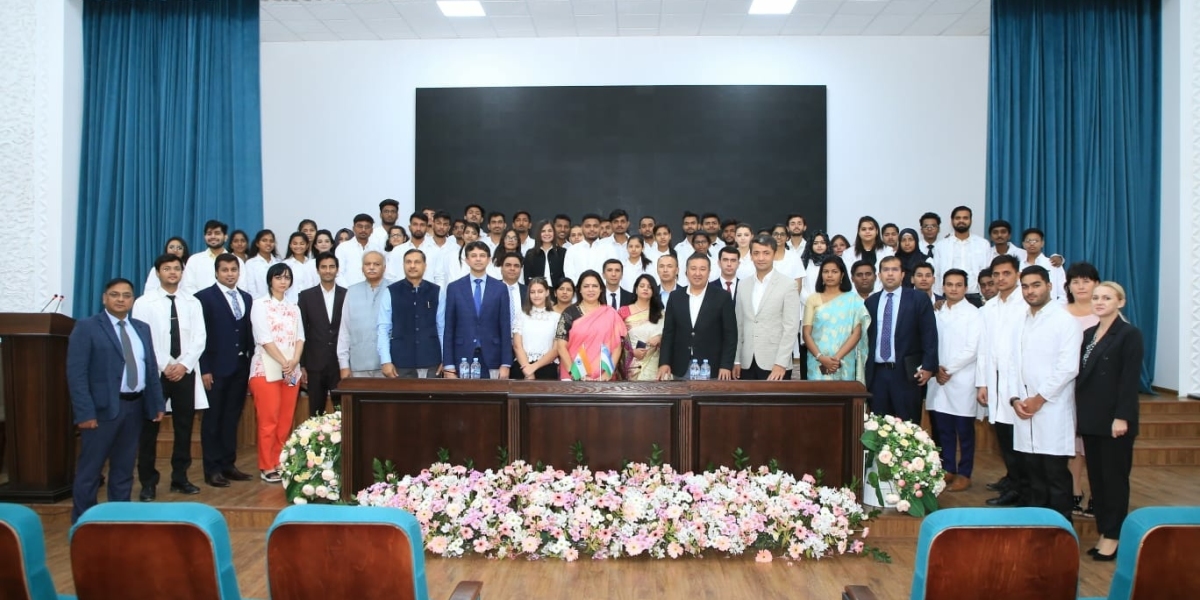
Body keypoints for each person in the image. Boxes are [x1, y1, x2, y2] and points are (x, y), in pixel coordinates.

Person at [68, 278, 166, 523]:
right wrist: (85, 413)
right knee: (90, 471)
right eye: (115, 294)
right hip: (101, 411)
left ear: (133, 300)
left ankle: (119, 522)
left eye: (126, 295)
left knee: (124, 469)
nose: (121, 299)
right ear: (104, 298)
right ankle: (84, 524)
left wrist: (157, 403)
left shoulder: (141, 328)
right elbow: (76, 374)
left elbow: (150, 368)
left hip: (135, 408)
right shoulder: (87, 327)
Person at [1075, 281, 1143, 561]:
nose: (1100, 302)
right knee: (1098, 480)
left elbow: (1129, 380)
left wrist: (1122, 417)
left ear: (1120, 302)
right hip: (1091, 417)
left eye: (1106, 298)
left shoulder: (1128, 334)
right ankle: (1105, 530)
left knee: (1114, 480)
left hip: (1115, 420)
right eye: (1096, 298)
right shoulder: (1089, 333)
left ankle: (1113, 536)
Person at [133, 255, 207, 501]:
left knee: (184, 427)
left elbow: (199, 337)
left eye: (177, 268)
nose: (172, 272)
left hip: (185, 371)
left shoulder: (192, 302)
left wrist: (183, 365)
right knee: (149, 428)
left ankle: (180, 477)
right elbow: (143, 338)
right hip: (156, 373)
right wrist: (165, 364)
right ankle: (148, 482)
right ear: (158, 272)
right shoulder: (144, 303)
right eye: (167, 268)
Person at [1012, 265, 1082, 524]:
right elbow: (1014, 364)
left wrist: (1039, 399)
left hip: (1052, 409)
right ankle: (1037, 528)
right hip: (1024, 409)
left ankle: (1062, 531)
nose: (1030, 291)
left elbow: (1068, 368)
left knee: (1055, 475)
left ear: (1050, 286)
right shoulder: (1021, 320)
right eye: (1025, 286)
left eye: (1036, 285)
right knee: (1033, 475)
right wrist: (1015, 399)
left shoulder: (1064, 321)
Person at [194, 254, 255, 488]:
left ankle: (228, 464)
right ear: (216, 272)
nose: (230, 274)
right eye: (225, 270)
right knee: (212, 421)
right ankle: (212, 469)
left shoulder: (246, 298)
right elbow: (199, 337)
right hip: (215, 370)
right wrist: (204, 369)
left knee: (231, 418)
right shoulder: (203, 298)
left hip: (240, 368)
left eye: (233, 269)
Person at [976, 255, 1029, 507]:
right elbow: (984, 348)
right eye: (996, 275)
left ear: (1017, 275)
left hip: (1019, 382)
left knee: (1019, 437)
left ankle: (1021, 488)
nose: (1000, 279)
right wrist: (982, 383)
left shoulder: (1025, 304)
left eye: (1006, 273)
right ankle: (1013, 480)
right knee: (1004, 435)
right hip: (995, 380)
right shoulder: (989, 307)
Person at [247, 263, 305, 484]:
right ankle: (267, 465)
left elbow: (300, 337)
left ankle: (280, 461)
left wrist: (294, 361)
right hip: (265, 369)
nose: (283, 281)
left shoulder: (294, 307)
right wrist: (283, 362)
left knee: (285, 419)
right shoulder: (260, 305)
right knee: (268, 419)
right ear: (270, 280)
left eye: (287, 278)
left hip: (291, 371)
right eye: (278, 277)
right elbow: (264, 338)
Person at [926, 269, 982, 492]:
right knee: (944, 428)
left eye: (958, 285)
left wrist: (947, 369)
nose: (953, 289)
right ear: (943, 287)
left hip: (962, 378)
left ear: (966, 288)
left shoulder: (974, 314)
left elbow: (972, 349)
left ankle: (965, 473)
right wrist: (935, 368)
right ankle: (948, 467)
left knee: (964, 430)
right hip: (938, 378)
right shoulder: (937, 312)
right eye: (949, 284)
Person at [865, 256, 938, 422]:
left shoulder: (918, 299)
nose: (890, 274)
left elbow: (929, 334)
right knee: (878, 425)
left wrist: (928, 366)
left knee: (908, 425)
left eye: (895, 270)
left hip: (906, 373)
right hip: (877, 374)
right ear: (879, 275)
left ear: (903, 274)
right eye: (886, 270)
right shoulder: (871, 302)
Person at [657, 253, 737, 380]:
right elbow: (668, 333)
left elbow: (730, 335)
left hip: (712, 368)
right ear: (686, 272)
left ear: (709, 272)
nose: (697, 273)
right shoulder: (675, 297)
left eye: (702, 269)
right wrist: (664, 362)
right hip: (680, 367)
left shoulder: (722, 297)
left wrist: (726, 365)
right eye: (693, 269)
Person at [734, 234, 801, 381]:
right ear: (750, 256)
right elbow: (739, 325)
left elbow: (791, 327)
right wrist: (737, 360)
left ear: (774, 254)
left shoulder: (788, 285)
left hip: (775, 363)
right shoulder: (743, 285)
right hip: (746, 362)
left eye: (766, 253)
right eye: (756, 253)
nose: (761, 258)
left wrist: (781, 363)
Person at [443, 241, 513, 379]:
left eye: (482, 255)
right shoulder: (454, 288)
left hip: (492, 356)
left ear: (489, 259)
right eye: (474, 255)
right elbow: (449, 328)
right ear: (467, 260)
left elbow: (505, 327)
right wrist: (448, 365)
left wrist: (506, 363)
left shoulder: (500, 288)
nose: (478, 259)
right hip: (462, 356)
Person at [1065, 261, 1101, 517]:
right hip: (1067, 388)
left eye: (1086, 281)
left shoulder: (1106, 314)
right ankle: (1074, 491)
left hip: (1096, 391)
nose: (1080, 286)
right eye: (1075, 281)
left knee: (1094, 447)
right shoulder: (1060, 313)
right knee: (1073, 444)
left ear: (1096, 284)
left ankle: (1098, 494)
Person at [378, 249, 446, 379]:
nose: (412, 266)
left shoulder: (436, 291)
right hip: (400, 362)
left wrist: (446, 358)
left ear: (425, 266)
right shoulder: (391, 291)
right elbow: (383, 328)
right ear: (403, 265)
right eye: (408, 262)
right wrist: (385, 361)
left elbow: (442, 328)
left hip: (432, 360)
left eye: (417, 262)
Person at [803, 256, 870, 383]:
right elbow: (806, 334)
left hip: (844, 360)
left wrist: (836, 359)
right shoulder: (813, 299)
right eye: (825, 271)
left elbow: (856, 334)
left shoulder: (853, 300)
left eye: (834, 272)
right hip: (817, 362)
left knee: (843, 394)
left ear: (842, 275)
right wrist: (821, 358)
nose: (829, 275)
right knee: (818, 395)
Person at [554, 270, 627, 381]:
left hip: (603, 378)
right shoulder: (569, 313)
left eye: (595, 286)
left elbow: (617, 346)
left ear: (601, 289)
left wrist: (608, 373)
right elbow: (561, 346)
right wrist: (574, 373)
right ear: (580, 289)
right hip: (573, 375)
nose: (591, 290)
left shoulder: (610, 313)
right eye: (586, 286)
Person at [297, 252, 346, 417]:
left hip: (339, 364)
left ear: (337, 269)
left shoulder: (347, 295)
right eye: (323, 267)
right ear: (317, 270)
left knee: (342, 412)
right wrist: (302, 364)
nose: (328, 270)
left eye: (331, 267)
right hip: (315, 364)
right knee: (315, 413)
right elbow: (301, 331)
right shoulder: (306, 296)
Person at [337, 251, 392, 378]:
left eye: (376, 264)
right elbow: (345, 330)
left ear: (384, 268)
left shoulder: (394, 289)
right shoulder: (352, 291)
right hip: (358, 364)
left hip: (388, 365)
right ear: (362, 268)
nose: (371, 267)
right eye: (367, 264)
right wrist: (343, 364)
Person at [931, 206, 991, 304]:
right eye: (958, 218)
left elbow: (988, 272)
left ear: (971, 220)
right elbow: (937, 274)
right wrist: (938, 297)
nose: (961, 221)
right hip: (948, 296)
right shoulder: (941, 246)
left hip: (975, 296)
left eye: (965, 218)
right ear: (952, 221)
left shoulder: (983, 244)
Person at [619, 274, 665, 381]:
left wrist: (660, 338)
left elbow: (669, 335)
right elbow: (617, 339)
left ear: (653, 291)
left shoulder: (660, 313)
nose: (645, 289)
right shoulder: (624, 311)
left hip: (655, 364)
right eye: (642, 286)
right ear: (636, 289)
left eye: (649, 287)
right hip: (632, 365)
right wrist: (632, 352)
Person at [513, 278, 560, 380]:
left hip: (547, 368)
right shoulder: (521, 315)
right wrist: (528, 371)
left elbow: (556, 349)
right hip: (522, 367)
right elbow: (517, 346)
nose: (536, 295)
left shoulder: (556, 318)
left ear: (547, 292)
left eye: (540, 291)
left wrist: (533, 367)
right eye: (532, 292)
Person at [181, 220, 243, 296]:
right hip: (199, 302)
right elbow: (187, 287)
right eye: (209, 233)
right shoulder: (194, 260)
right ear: (205, 237)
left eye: (217, 233)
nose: (213, 236)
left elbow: (242, 287)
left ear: (225, 237)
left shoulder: (237, 261)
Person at [393, 212, 449, 289]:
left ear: (427, 228)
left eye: (422, 225)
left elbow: (440, 278)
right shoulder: (398, 251)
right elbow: (391, 277)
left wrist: (436, 294)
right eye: (415, 224)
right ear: (409, 227)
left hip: (428, 294)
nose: (418, 228)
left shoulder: (436, 251)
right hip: (401, 293)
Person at [564, 214, 618, 284]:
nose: (592, 229)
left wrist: (600, 287)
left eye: (595, 226)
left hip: (602, 289)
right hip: (578, 289)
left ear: (600, 228)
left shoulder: (609, 249)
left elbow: (612, 271)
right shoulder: (572, 250)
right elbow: (569, 274)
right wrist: (581, 287)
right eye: (588, 226)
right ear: (582, 228)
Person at [1019, 228, 1067, 303]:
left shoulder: (1053, 264)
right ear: (1023, 244)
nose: (1032, 244)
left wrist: (1055, 307)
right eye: (1028, 241)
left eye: (1036, 241)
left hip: (1051, 308)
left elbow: (1063, 293)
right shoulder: (1018, 267)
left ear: (1042, 243)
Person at [335, 214, 383, 288]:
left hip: (373, 290)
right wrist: (348, 290)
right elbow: (338, 273)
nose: (363, 230)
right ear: (353, 228)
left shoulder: (377, 249)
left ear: (372, 230)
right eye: (360, 226)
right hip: (348, 290)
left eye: (367, 227)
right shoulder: (343, 248)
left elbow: (381, 271)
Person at [524, 220, 566, 288]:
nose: (547, 234)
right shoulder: (530, 254)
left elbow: (565, 275)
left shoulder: (563, 252)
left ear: (554, 233)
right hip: (538, 291)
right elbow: (527, 278)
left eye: (550, 231)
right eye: (543, 231)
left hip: (558, 291)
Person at [243, 229, 280, 301]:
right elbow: (250, 288)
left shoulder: (278, 262)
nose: (268, 243)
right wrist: (264, 302)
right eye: (264, 240)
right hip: (258, 302)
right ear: (257, 243)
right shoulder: (250, 263)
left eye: (271, 241)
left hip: (277, 302)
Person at [282, 231, 318, 303]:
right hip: (291, 303)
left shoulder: (313, 263)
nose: (298, 246)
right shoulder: (285, 264)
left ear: (307, 245)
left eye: (302, 244)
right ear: (290, 245)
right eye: (295, 243)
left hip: (312, 302)